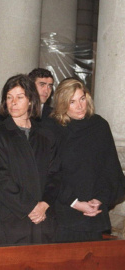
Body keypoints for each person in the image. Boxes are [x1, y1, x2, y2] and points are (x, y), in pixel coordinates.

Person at [43, 78, 124, 243]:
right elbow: (48, 173)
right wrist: (75, 203)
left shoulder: (100, 125)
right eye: (72, 102)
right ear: (62, 103)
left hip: (94, 214)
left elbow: (110, 169)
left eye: (82, 98)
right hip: (62, 214)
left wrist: (101, 199)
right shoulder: (50, 128)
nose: (80, 106)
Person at [0, 74, 60, 246]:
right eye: (9, 98)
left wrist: (43, 205)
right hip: (11, 218)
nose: (13, 103)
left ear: (30, 100)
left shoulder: (45, 135)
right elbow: (1, 177)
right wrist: (30, 207)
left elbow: (55, 174)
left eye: (19, 97)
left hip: (42, 218)